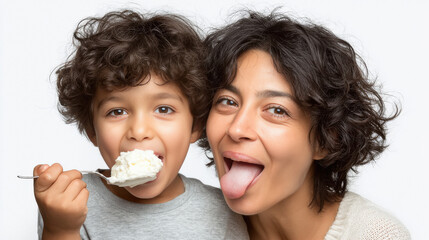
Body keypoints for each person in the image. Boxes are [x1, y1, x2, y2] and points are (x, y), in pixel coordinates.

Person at [33, 10, 248, 240]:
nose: (139, 131)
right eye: (117, 111)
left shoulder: (222, 213)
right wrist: (60, 230)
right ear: (91, 130)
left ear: (195, 125)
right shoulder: (70, 203)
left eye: (163, 109)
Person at [201, 10, 411, 239]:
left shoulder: (374, 234)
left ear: (325, 140)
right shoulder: (193, 225)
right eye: (227, 102)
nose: (236, 128)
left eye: (276, 110)